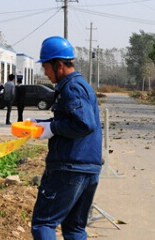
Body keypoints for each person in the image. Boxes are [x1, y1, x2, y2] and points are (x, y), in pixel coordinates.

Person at [31, 36, 102, 240]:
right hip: (87, 168)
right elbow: (72, 119)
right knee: (74, 229)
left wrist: (51, 128)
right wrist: (42, 123)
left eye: (46, 68)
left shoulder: (71, 87)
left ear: (59, 65)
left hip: (68, 168)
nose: (45, 73)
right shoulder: (82, 86)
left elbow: (84, 123)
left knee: (43, 223)